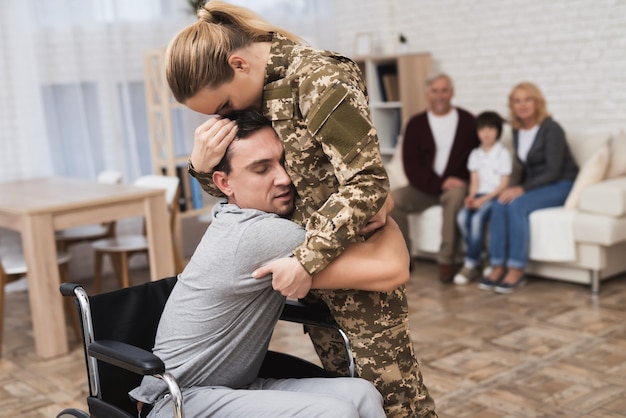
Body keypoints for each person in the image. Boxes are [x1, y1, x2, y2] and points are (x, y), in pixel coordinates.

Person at [164, 3, 437, 417]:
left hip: (356, 282)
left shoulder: (319, 78)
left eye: (222, 107)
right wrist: (201, 169)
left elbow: (368, 182)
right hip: (311, 283)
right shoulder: (258, 89)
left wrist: (305, 260)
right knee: (350, 399)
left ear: (239, 64)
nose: (228, 118)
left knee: (398, 405)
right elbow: (245, 181)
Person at [130, 111, 407, 418]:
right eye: (262, 169)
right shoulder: (261, 234)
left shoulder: (235, 215)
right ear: (224, 182)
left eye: (283, 162)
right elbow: (393, 268)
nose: (284, 178)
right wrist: (378, 198)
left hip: (235, 388)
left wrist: (380, 200)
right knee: (334, 413)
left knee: (362, 394)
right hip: (179, 401)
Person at [480, 82, 578, 294]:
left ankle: (516, 268)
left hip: (561, 183)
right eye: (517, 100)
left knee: (517, 206)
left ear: (537, 102)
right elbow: (526, 168)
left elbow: (553, 171)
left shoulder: (552, 129)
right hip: (537, 185)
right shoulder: (516, 130)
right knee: (499, 204)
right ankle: (497, 265)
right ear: (512, 106)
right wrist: (510, 188)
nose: (522, 105)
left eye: (527, 99)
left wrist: (520, 190)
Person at [390, 73, 479, 283]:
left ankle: (447, 260)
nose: (440, 96)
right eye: (435, 91)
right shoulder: (415, 124)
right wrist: (439, 183)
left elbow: (477, 158)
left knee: (455, 195)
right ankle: (404, 258)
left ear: (452, 93)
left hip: (455, 187)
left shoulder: (467, 121)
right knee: (394, 200)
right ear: (427, 94)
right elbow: (411, 165)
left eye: (444, 90)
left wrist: (459, 181)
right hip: (424, 187)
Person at [453, 111, 512, 285]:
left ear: (498, 131)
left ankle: (470, 263)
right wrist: (471, 197)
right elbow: (474, 183)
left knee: (477, 219)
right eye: (482, 129)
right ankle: (483, 257)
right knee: (462, 218)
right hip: (479, 195)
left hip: (494, 197)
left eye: (491, 129)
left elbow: (503, 185)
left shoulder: (503, 154)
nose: (486, 133)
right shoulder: (475, 154)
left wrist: (483, 200)